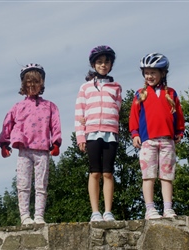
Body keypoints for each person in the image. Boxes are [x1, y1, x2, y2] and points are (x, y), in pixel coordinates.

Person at [0, 63, 62, 225]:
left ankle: (39, 215)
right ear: (23, 84)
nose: (32, 85)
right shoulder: (18, 107)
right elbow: (7, 124)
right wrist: (4, 143)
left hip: (42, 150)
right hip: (24, 149)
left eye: (35, 81)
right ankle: (25, 216)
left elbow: (55, 125)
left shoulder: (49, 106)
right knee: (23, 184)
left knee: (41, 184)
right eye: (28, 82)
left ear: (41, 83)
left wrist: (56, 142)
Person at [129, 52, 185, 220]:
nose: (149, 76)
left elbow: (179, 116)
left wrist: (180, 131)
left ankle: (168, 208)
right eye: (146, 72)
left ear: (163, 73)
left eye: (153, 72)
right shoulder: (140, 94)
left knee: (167, 176)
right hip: (148, 141)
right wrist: (134, 133)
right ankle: (150, 209)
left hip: (167, 141)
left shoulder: (172, 94)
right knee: (148, 175)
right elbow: (134, 116)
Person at [75, 45, 122, 222]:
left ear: (111, 65)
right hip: (92, 133)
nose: (103, 65)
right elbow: (79, 112)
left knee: (108, 173)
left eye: (107, 62)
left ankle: (108, 211)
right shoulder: (85, 87)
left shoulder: (116, 87)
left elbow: (117, 108)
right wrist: (81, 136)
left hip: (110, 133)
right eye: (99, 62)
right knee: (94, 173)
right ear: (94, 65)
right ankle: (95, 211)